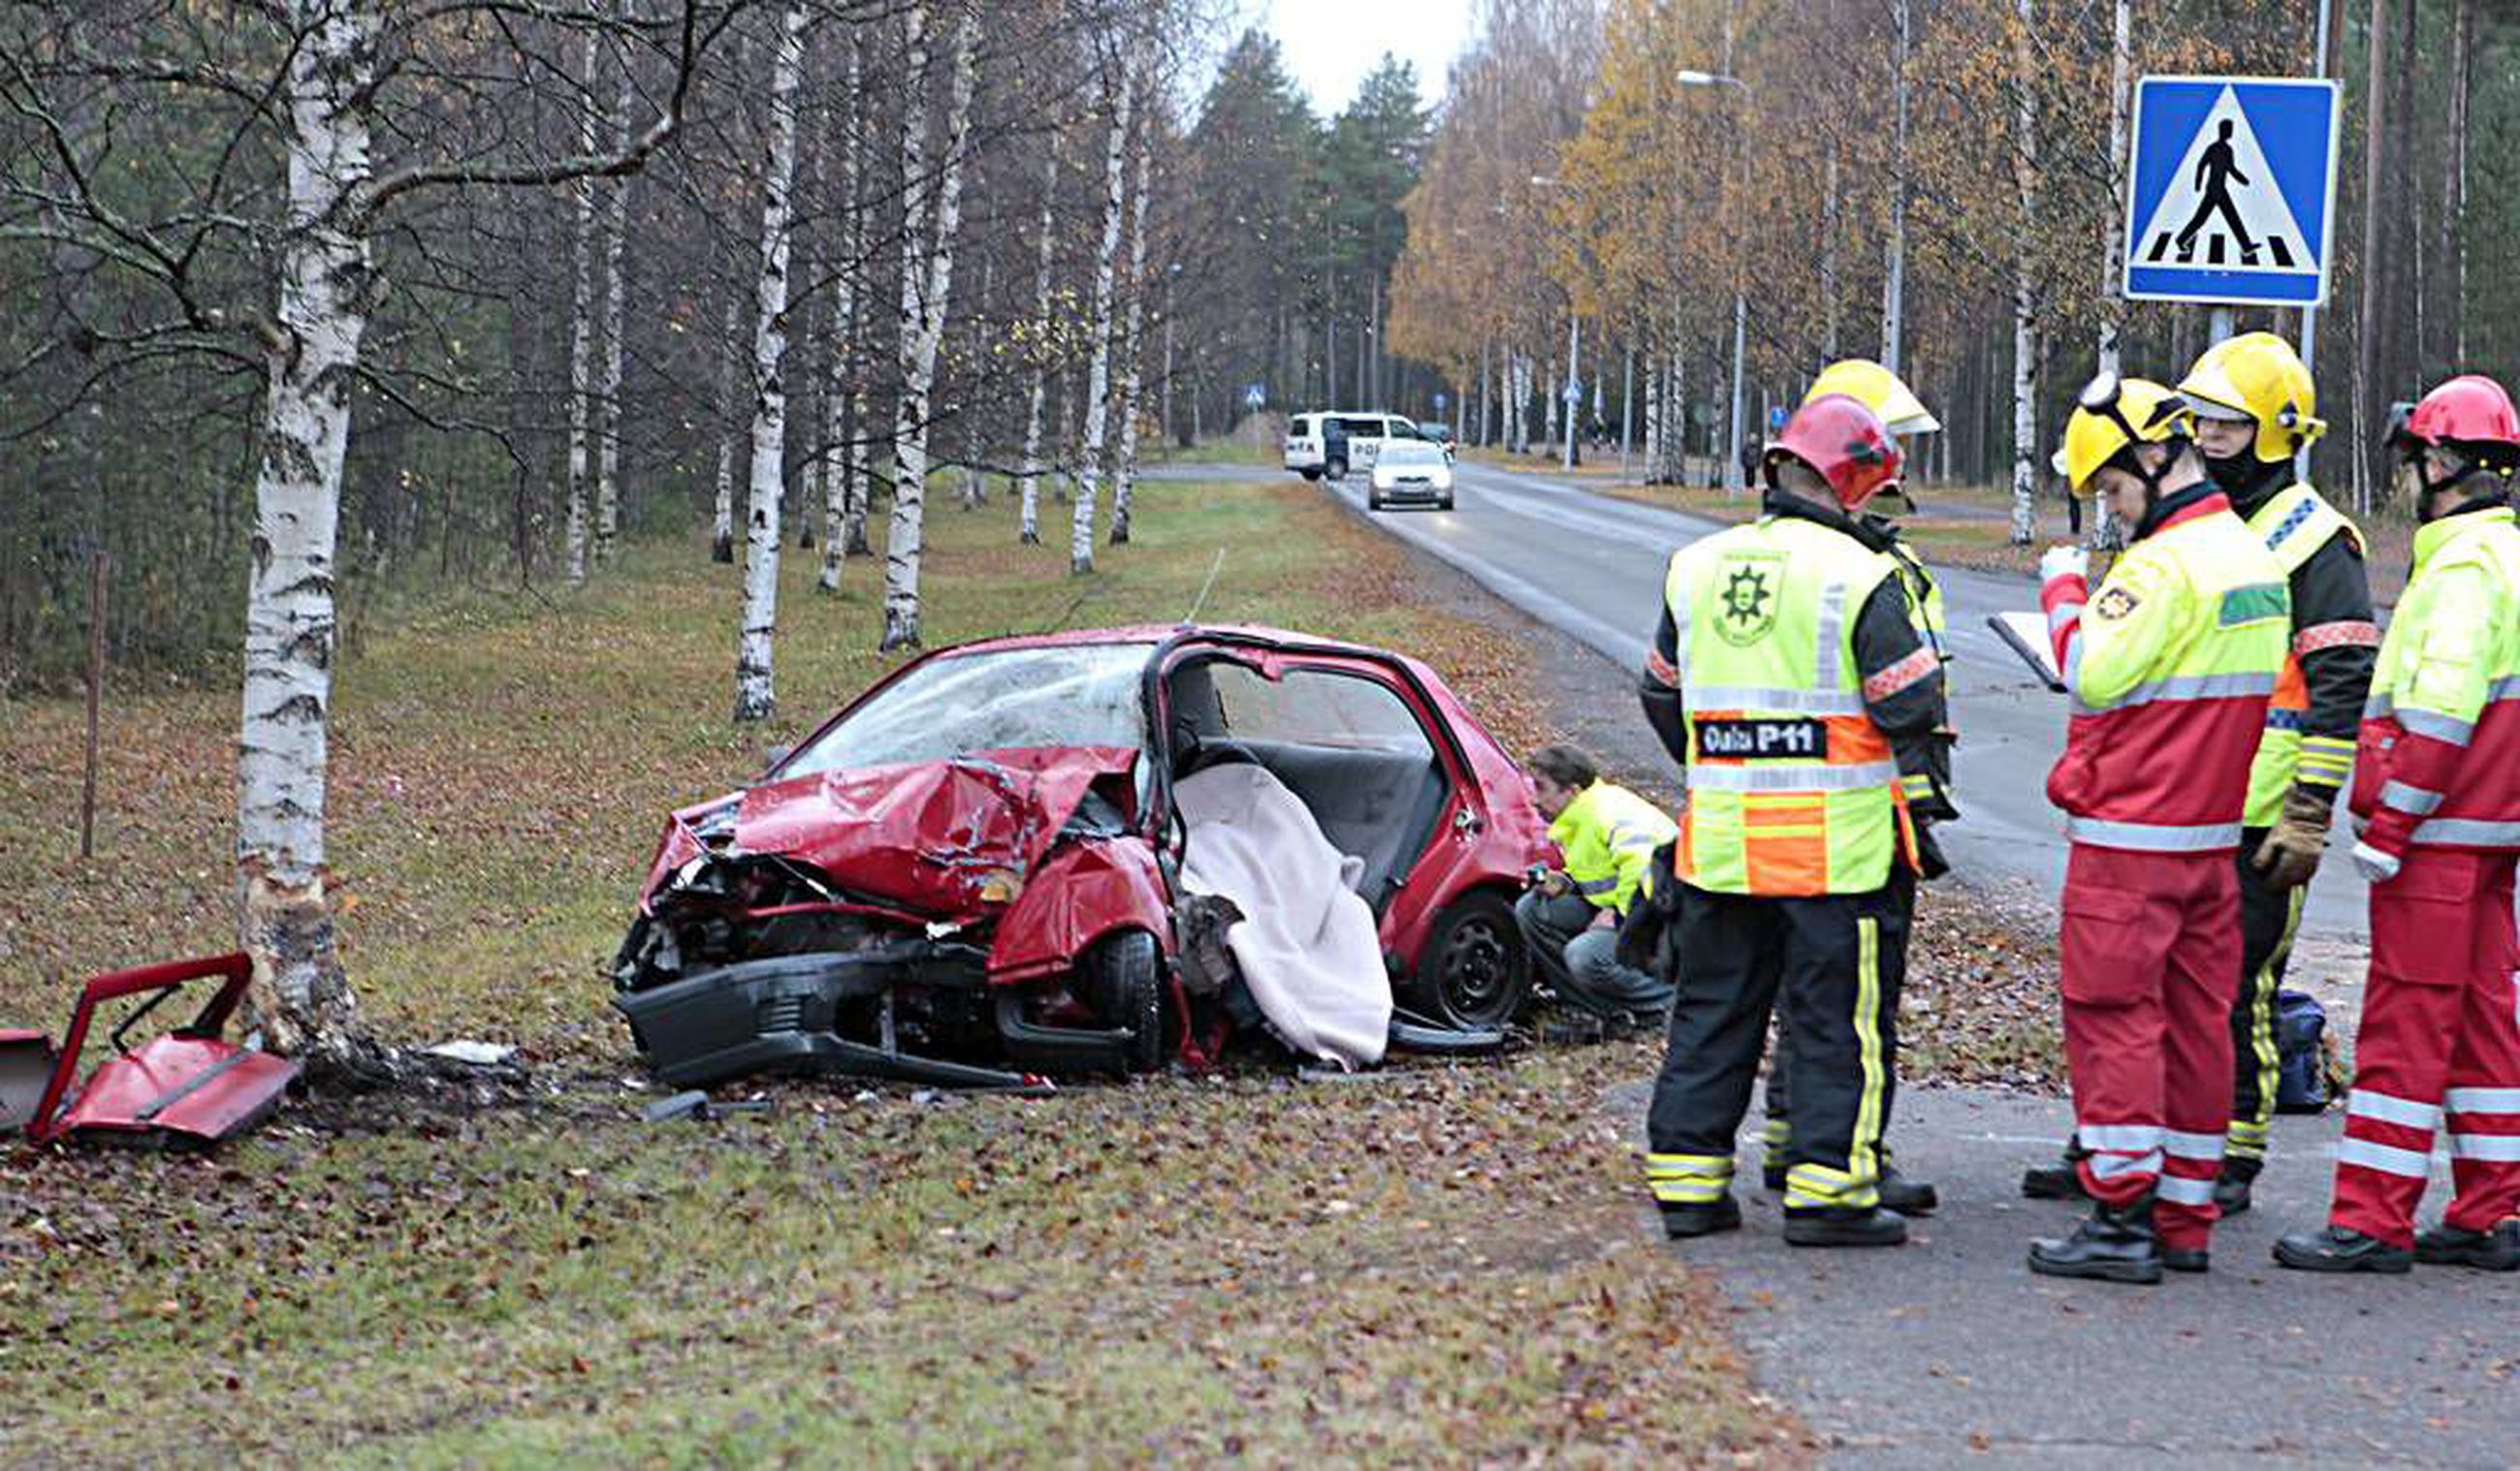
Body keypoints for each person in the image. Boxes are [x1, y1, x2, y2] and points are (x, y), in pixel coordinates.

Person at [2023, 334, 2377, 1215]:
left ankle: (2230, 1154)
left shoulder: (2312, 540)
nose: (2207, 435)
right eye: (2200, 420)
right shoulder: (2187, 518)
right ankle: (2127, 1152)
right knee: (2150, 997)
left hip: (2262, 808)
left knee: (2234, 995)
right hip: (2194, 795)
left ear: (2274, 434)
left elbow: (2340, 679)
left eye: (2227, 423)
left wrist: (2309, 808)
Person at [1638, 393, 1950, 1248]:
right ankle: (1828, 1194)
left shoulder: (1695, 565)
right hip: (1835, 857)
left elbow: (1660, 690)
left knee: (1711, 1011)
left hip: (1724, 846)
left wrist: (1723, 761)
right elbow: (1912, 699)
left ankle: (1689, 1186)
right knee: (1830, 1024)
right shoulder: (1863, 575)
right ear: (1854, 486)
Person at [2029, 375, 2289, 1283]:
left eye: (2110, 488)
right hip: (2209, 843)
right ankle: (2183, 1215)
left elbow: (2094, 673)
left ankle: (2118, 1216)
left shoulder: (2159, 567)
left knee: (2113, 1022)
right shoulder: (2255, 562)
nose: (2110, 510)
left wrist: (2064, 590)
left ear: (2151, 456)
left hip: (2130, 844)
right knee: (2195, 1026)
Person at [2273, 376, 2520, 1275]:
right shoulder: (2507, 555)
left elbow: (2443, 713)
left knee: (2404, 1024)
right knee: (2486, 1024)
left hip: (2440, 837)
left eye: (2414, 457)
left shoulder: (2457, 568)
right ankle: (2495, 1209)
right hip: (2491, 836)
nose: (2409, 476)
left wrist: (2390, 827)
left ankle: (2372, 1220)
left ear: (2443, 462)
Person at [1755, 359, 1958, 1218]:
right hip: (1860, 805)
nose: (1898, 467)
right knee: (1851, 1000)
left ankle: (1797, 1142)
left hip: (1826, 803)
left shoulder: (1853, 551)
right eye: (1890, 448)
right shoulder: (1853, 563)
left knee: (1811, 992)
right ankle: (1846, 1157)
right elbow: (1904, 699)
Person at [1516, 746, 1678, 1029]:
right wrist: (1566, 883)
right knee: (1532, 909)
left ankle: (1670, 1004)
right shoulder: (1577, 816)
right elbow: (1599, 870)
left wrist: (1615, 916)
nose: (1533, 799)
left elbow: (1645, 871)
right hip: (1631, 908)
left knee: (1584, 955)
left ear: (1573, 791)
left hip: (1663, 918)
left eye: (1541, 788)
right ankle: (1595, 1009)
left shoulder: (1609, 812)